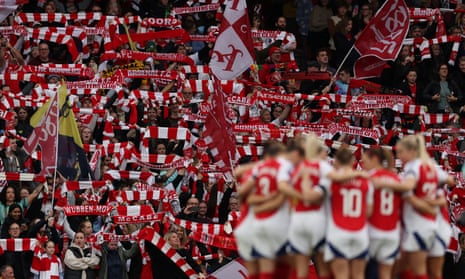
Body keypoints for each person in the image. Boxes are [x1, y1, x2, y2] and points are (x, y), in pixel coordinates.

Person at [362, 148, 403, 279]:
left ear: (374, 159)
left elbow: (367, 210)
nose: (363, 164)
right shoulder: (397, 179)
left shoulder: (370, 178)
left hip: (373, 232)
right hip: (392, 233)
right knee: (385, 275)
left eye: (365, 161)